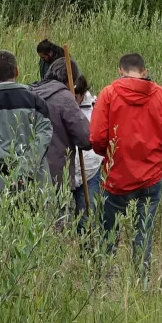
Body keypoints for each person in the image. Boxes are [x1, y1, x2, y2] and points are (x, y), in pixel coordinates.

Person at [88, 52, 162, 277]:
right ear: (144, 72)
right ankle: (142, 280)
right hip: (150, 177)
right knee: (144, 231)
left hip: (115, 177)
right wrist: (154, 155)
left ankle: (106, 279)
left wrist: (111, 156)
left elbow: (97, 138)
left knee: (109, 231)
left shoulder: (109, 94)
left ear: (120, 71)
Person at [0, 50, 53, 200]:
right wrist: (24, 167)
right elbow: (44, 134)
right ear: (17, 71)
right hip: (36, 185)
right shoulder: (36, 102)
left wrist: (7, 161)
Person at [29, 49, 93, 219]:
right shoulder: (65, 97)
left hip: (28, 172)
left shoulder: (29, 91)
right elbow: (86, 139)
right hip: (57, 175)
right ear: (70, 79)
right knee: (58, 227)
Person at [71, 77, 104, 229]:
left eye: (75, 97)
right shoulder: (59, 104)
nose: (73, 100)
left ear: (82, 93)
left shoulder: (96, 107)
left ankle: (87, 251)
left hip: (89, 171)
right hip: (66, 171)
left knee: (86, 220)